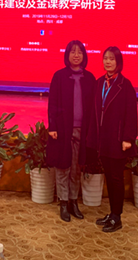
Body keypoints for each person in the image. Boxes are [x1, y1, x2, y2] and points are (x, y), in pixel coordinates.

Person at [86, 46, 138, 233]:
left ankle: (117, 217)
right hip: (103, 140)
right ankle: (112, 213)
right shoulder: (99, 83)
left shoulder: (125, 85)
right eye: (105, 58)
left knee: (116, 178)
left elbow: (131, 114)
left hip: (117, 141)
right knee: (109, 177)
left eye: (112, 59)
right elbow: (94, 112)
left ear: (119, 62)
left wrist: (128, 138)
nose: (108, 62)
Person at [46, 40, 96, 222]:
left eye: (79, 52)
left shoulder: (90, 78)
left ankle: (74, 201)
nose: (76, 55)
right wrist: (53, 126)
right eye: (73, 52)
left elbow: (93, 107)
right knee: (63, 167)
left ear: (84, 55)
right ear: (67, 55)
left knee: (76, 168)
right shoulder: (59, 76)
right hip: (63, 130)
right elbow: (52, 103)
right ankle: (63, 202)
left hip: (82, 130)